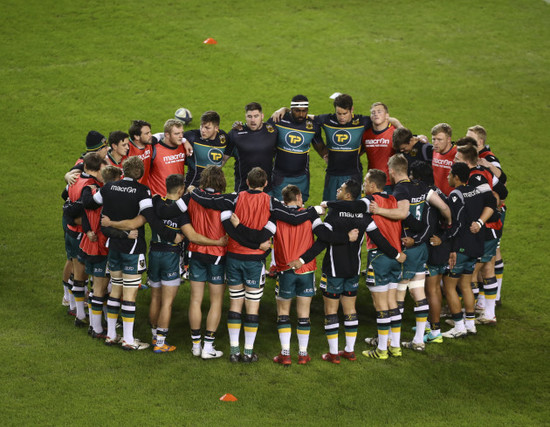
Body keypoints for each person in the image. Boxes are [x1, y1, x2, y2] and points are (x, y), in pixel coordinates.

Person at [102, 173, 226, 353]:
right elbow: (191, 236)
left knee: (155, 297)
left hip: (154, 253)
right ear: (182, 190)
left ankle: (153, 334)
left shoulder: (156, 202)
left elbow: (152, 218)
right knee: (167, 303)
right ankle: (160, 342)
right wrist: (217, 242)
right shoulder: (182, 212)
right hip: (171, 257)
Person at [290, 179, 405, 364]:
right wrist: (397, 254)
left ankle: (334, 353)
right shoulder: (365, 217)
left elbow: (322, 241)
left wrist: (302, 259)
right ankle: (350, 351)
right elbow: (380, 240)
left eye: (341, 189)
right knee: (350, 310)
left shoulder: (333, 216)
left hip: (333, 271)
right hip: (353, 270)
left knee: (331, 311)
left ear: (348, 195)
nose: (338, 190)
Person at [89, 156, 183, 350]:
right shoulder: (142, 191)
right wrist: (170, 235)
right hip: (132, 248)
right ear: (140, 173)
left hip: (113, 245)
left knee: (115, 290)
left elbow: (91, 203)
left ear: (123, 170)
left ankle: (111, 335)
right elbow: (151, 217)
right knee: (130, 295)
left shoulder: (108, 187)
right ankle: (129, 340)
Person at [370, 154, 451, 352]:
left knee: (397, 294)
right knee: (418, 291)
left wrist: (378, 210)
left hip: (407, 247)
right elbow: (444, 207)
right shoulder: (423, 187)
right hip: (422, 249)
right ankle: (418, 341)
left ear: (392, 171)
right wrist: (446, 225)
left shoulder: (400, 189)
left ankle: (390, 340)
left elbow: (402, 213)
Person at [454, 142, 506, 324]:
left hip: (487, 228)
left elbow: (494, 199)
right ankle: (487, 312)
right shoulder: (485, 173)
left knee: (471, 273)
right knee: (487, 268)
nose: (454, 161)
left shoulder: (476, 178)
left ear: (466, 162)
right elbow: (503, 190)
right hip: (493, 227)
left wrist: (480, 219)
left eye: (457, 159)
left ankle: (469, 315)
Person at [441, 162, 496, 338]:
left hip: (461, 247)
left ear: (456, 177)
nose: (448, 177)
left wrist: (452, 247)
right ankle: (470, 324)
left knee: (449, 286)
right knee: (466, 284)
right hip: (476, 245)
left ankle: (458, 326)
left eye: (450, 174)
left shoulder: (456, 195)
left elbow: (456, 225)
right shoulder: (475, 190)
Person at [358, 169, 406, 360]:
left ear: (371, 185)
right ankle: (395, 346)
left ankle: (382, 350)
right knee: (393, 303)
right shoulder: (394, 201)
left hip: (380, 256)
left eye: (365, 182)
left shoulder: (369, 202)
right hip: (396, 258)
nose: (363, 185)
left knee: (381, 306)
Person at [185, 166, 231, 359]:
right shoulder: (226, 202)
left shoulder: (192, 198)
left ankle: (196, 345)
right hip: (218, 254)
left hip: (195, 252)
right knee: (216, 301)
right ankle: (208, 347)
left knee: (195, 299)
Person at [63, 152, 107, 327]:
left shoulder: (75, 179)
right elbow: (84, 210)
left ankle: (79, 311)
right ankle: (82, 315)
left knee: (78, 274)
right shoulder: (90, 186)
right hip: (83, 234)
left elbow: (64, 196)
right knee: (87, 275)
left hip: (71, 232)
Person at [268, 95, 326, 203]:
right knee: (279, 209)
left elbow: (321, 148)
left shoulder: (312, 126)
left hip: (301, 177)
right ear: (291, 109)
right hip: (280, 176)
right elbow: (263, 138)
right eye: (297, 111)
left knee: (299, 209)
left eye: (304, 111)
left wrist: (332, 161)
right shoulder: (278, 120)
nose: (301, 114)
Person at [224, 102, 277, 193]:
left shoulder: (272, 131)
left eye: (256, 116)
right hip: (243, 189)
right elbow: (223, 159)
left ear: (262, 116)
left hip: (267, 189)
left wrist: (283, 109)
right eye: (249, 116)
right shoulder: (236, 133)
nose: (253, 120)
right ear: (245, 117)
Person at [183, 111, 228, 189]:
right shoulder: (192, 136)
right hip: (193, 186)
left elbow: (234, 145)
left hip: (214, 187)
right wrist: (184, 140)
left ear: (216, 128)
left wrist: (224, 161)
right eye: (202, 126)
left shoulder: (222, 137)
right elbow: (171, 135)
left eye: (207, 128)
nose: (202, 130)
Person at [362, 102, 397, 191]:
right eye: (373, 112)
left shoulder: (394, 132)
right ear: (370, 117)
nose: (376, 114)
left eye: (379, 111)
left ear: (387, 115)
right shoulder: (366, 134)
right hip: (372, 184)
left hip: (390, 183)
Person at [148, 119, 186, 196]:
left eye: (182, 133)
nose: (181, 136)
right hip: (159, 199)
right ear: (167, 135)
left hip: (179, 198)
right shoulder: (153, 149)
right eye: (177, 134)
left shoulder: (184, 146)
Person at [431, 123, 456, 196]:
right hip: (438, 197)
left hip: (453, 197)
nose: (435, 143)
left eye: (439, 140)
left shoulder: (458, 153)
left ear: (448, 139)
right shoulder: (434, 151)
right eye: (433, 139)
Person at [127, 120, 154, 186]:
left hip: (144, 187)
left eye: (150, 132)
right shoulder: (127, 149)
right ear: (137, 137)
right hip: (131, 189)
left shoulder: (149, 144)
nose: (150, 135)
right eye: (146, 133)